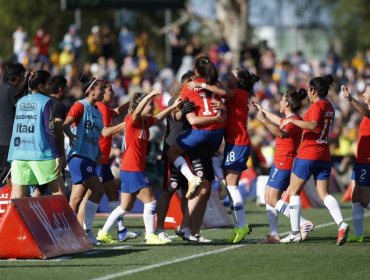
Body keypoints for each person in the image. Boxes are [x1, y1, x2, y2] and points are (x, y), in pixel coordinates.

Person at [96, 89, 181, 245]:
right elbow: (136, 112)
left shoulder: (144, 121)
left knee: (124, 207)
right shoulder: (132, 119)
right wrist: (149, 95)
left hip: (129, 169)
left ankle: (102, 233)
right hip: (132, 169)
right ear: (141, 106)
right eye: (150, 104)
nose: (153, 107)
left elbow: (158, 117)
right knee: (150, 202)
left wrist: (173, 106)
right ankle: (150, 236)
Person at [279, 75, 349, 245]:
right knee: (324, 194)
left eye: (309, 91)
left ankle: (295, 232)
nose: (308, 95)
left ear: (313, 90)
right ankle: (341, 224)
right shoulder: (330, 106)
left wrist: (293, 121)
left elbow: (312, 125)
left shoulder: (317, 106)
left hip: (309, 153)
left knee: (294, 192)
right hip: (324, 153)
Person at [254, 89, 314, 244]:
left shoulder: (293, 122)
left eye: (281, 100)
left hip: (285, 163)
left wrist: (264, 121)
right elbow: (277, 120)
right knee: (268, 197)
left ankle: (303, 223)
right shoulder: (290, 119)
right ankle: (274, 234)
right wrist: (262, 110)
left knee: (272, 199)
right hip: (280, 162)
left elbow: (281, 134)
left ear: (287, 103)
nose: (279, 103)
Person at [167, 56, 226, 199]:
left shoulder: (189, 86)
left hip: (202, 131)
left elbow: (192, 120)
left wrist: (175, 108)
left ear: (196, 71)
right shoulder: (216, 84)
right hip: (218, 132)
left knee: (172, 152)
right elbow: (224, 95)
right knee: (212, 153)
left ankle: (191, 178)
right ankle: (221, 178)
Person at [7, 70, 65, 198]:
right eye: (48, 83)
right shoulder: (46, 101)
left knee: (16, 198)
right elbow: (50, 130)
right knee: (59, 195)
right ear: (41, 86)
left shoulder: (21, 101)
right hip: (41, 153)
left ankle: (10, 219)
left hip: (18, 153)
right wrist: (58, 154)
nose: (50, 86)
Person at [63, 75, 105, 245]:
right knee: (98, 190)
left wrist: (99, 152)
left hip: (88, 156)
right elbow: (66, 124)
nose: (102, 91)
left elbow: (94, 135)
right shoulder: (80, 105)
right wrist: (71, 136)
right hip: (78, 157)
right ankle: (87, 231)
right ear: (91, 90)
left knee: (75, 198)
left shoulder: (97, 111)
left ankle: (65, 232)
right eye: (100, 88)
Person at [95, 82, 139, 241]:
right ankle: (84, 229)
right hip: (98, 159)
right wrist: (126, 124)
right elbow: (105, 132)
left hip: (104, 160)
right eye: (110, 90)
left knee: (113, 195)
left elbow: (116, 112)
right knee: (92, 195)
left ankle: (121, 230)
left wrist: (132, 101)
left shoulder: (104, 108)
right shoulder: (101, 107)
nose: (113, 93)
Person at [221, 68, 259, 243]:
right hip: (233, 143)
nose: (228, 75)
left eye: (232, 74)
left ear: (238, 81)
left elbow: (221, 91)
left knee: (231, 186)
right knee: (230, 186)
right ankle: (239, 225)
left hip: (239, 143)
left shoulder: (239, 92)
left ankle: (242, 224)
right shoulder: (236, 93)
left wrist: (202, 84)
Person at [341, 84, 370, 243]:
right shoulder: (365, 114)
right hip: (360, 161)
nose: (364, 93)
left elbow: (366, 111)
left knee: (365, 200)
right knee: (355, 197)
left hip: (367, 162)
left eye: (366, 91)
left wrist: (351, 99)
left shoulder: (367, 113)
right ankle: (358, 234)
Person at [0, 62, 26, 185]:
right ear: (16, 76)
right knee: (8, 182)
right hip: (8, 143)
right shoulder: (12, 90)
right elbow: (24, 111)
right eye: (23, 76)